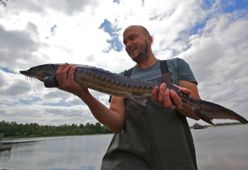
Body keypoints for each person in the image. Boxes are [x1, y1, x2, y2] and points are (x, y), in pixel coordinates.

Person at [55, 25, 200, 170]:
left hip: (174, 158)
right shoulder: (121, 78)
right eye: (125, 43)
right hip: (128, 160)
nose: (128, 45)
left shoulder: (176, 66)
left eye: (132, 38)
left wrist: (179, 102)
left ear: (149, 39)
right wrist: (83, 94)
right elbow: (116, 124)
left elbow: (196, 112)